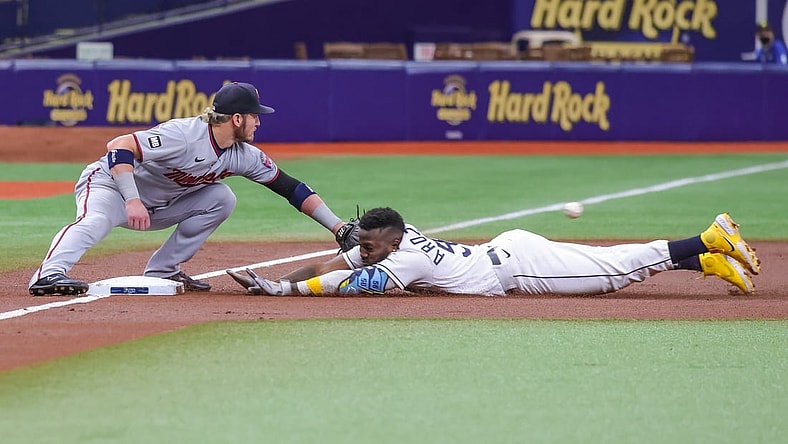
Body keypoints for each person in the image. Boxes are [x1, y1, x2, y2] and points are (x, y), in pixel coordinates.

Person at [29, 81, 356, 296]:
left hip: (158, 204)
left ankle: (164, 271)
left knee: (221, 198)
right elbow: (119, 146)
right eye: (255, 116)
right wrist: (130, 199)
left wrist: (337, 226)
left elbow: (292, 189)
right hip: (111, 186)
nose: (260, 122)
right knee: (96, 220)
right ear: (237, 119)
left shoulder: (242, 155)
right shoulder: (183, 135)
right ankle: (47, 276)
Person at [228, 207, 761, 297]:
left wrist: (289, 288)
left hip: (521, 268)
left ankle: (709, 238)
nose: (362, 252)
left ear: (391, 241)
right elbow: (334, 265)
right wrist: (284, 283)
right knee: (618, 262)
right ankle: (704, 259)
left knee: (618, 270)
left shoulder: (401, 258)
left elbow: (344, 284)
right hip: (507, 250)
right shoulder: (391, 239)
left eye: (368, 244)